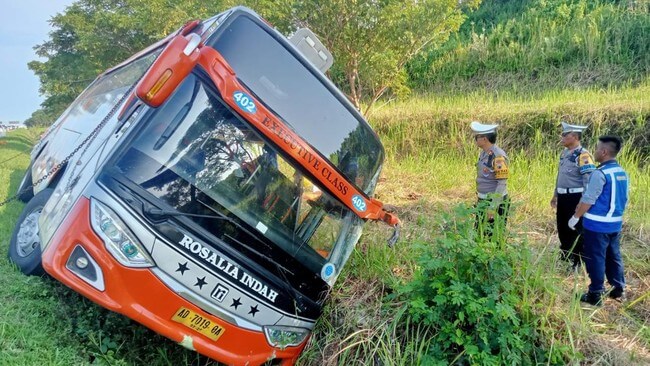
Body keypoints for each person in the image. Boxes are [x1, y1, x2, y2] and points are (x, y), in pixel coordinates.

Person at [569, 136, 629, 306]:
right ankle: (618, 288)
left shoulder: (599, 173)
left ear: (604, 152)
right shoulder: (621, 172)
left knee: (595, 258)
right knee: (614, 255)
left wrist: (575, 217)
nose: (594, 152)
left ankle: (595, 293)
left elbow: (588, 199)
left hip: (597, 225)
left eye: (597, 149)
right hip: (615, 223)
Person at [550, 122, 596, 270]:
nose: (562, 137)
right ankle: (565, 257)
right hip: (563, 197)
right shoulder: (564, 154)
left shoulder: (583, 155)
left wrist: (583, 201)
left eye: (565, 135)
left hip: (576, 197)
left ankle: (577, 261)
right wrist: (555, 194)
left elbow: (589, 180)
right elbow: (560, 176)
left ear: (575, 137)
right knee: (562, 227)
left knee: (576, 229)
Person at [470, 121, 510, 238]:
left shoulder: (498, 156)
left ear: (485, 139)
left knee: (493, 237)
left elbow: (502, 183)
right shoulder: (485, 153)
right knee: (480, 234)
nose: (475, 139)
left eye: (477, 137)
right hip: (483, 200)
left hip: (493, 202)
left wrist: (493, 207)